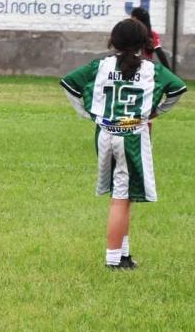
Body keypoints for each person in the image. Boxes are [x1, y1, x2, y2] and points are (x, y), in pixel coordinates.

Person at [60, 18, 186, 269]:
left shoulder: (101, 65)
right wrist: (157, 111)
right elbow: (177, 88)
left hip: (106, 133)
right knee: (121, 197)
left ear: (113, 40)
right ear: (143, 43)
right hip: (131, 137)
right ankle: (113, 258)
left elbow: (69, 83)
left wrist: (89, 113)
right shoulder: (152, 69)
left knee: (123, 195)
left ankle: (123, 254)